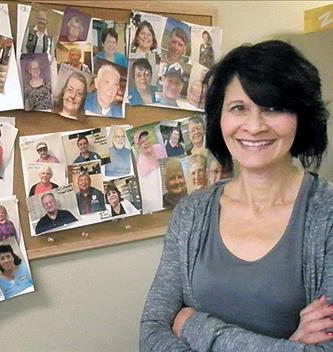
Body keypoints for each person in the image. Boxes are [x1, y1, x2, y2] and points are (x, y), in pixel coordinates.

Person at [140, 40, 333, 351]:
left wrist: (193, 324)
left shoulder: (327, 217)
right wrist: (287, 346)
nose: (254, 126)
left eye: (273, 107)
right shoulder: (190, 214)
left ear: (301, 115)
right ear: (220, 118)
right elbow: (152, 333)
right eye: (239, 108)